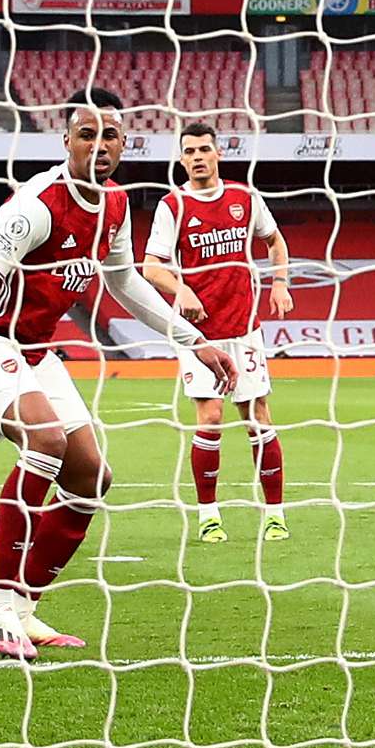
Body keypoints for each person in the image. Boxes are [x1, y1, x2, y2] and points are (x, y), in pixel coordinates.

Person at [0, 96, 239, 661]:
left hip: (36, 349)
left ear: (124, 144)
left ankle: (23, 608)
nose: (98, 145)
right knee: (46, 439)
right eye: (86, 134)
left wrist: (196, 341)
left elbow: (125, 286)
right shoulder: (37, 206)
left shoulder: (115, 204)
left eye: (109, 135)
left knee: (92, 476)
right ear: (66, 141)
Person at [141, 120, 297, 544]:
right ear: (181, 158)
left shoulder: (244, 198)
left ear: (218, 153)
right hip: (199, 335)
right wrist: (182, 288)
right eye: (188, 151)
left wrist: (280, 281)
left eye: (203, 150)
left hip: (244, 329)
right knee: (210, 418)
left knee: (258, 419)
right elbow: (151, 267)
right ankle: (209, 514)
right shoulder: (172, 205)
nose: (196, 157)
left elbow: (275, 241)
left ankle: (275, 514)